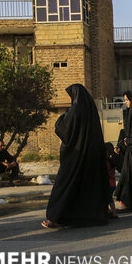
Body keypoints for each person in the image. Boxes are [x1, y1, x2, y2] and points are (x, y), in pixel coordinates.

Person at [42, 84, 108, 229]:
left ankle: (57, 217)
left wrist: (63, 116)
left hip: (76, 157)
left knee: (65, 185)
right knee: (87, 187)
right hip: (91, 156)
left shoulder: (76, 109)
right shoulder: (91, 110)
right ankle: (88, 217)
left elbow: (62, 128)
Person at [104, 142, 118, 218]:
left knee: (108, 199)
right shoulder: (112, 160)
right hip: (113, 183)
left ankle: (112, 212)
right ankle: (111, 211)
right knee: (109, 198)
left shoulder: (106, 162)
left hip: (108, 183)